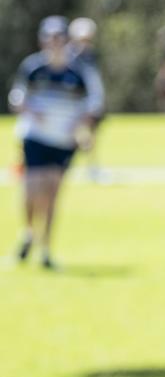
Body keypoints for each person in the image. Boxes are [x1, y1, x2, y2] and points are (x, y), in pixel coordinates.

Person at [8, 15, 104, 269]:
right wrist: (29, 109)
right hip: (35, 137)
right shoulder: (33, 68)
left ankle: (46, 249)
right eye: (50, 38)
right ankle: (29, 232)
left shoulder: (78, 72)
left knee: (51, 194)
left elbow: (93, 103)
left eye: (59, 38)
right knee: (31, 191)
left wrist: (80, 126)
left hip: (63, 141)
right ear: (42, 41)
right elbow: (16, 98)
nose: (54, 43)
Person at [68, 17, 106, 182]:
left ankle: (92, 167)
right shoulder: (70, 56)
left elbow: (94, 81)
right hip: (74, 101)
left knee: (91, 134)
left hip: (90, 102)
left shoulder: (91, 55)